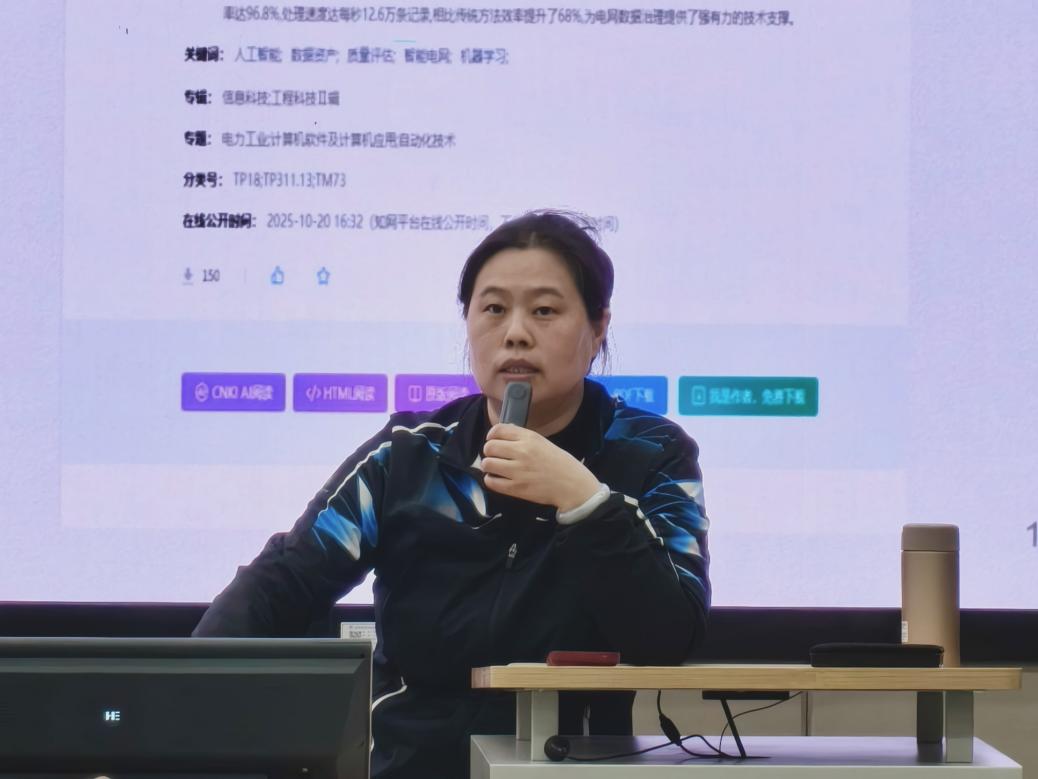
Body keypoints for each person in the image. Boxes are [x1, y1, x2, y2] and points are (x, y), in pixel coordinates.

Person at [193, 210, 711, 779]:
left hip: (577, 769)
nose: (516, 333)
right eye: (493, 309)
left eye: (544, 310)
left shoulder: (648, 452)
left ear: (599, 326)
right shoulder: (409, 454)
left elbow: (669, 636)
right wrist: (184, 691)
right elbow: (285, 581)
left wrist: (585, 502)